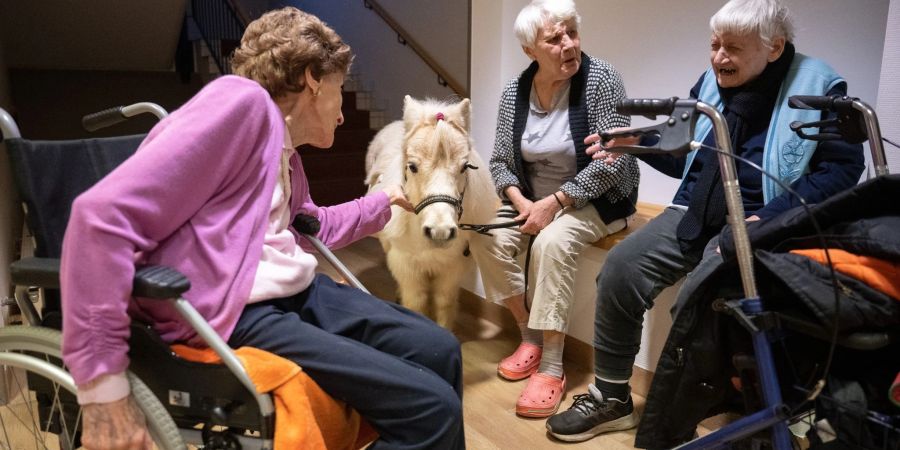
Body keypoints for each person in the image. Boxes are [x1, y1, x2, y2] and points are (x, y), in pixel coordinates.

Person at [60, 7, 465, 450]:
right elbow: (98, 218)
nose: (343, 112)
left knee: (438, 349)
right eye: (339, 89)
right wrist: (102, 394)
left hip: (294, 294)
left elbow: (311, 225)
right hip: (237, 311)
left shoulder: (283, 148)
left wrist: (382, 202)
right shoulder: (243, 103)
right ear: (313, 79)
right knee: (431, 409)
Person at [546, 0, 865, 442]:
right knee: (621, 270)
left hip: (767, 223)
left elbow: (842, 172)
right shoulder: (710, 84)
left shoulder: (820, 86)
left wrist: (768, 218)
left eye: (733, 48)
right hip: (696, 214)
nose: (718, 58)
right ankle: (613, 396)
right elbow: (687, 160)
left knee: (697, 300)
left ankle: (688, 416)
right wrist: (639, 143)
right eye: (714, 45)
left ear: (774, 47)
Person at [472, 0, 639, 419]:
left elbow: (615, 160)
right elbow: (498, 161)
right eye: (554, 38)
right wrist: (522, 201)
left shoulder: (601, 79)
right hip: (534, 199)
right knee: (482, 232)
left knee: (551, 241)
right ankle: (529, 335)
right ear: (531, 50)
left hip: (598, 198)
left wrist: (557, 202)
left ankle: (551, 364)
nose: (568, 44)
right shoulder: (515, 91)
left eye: (571, 33)